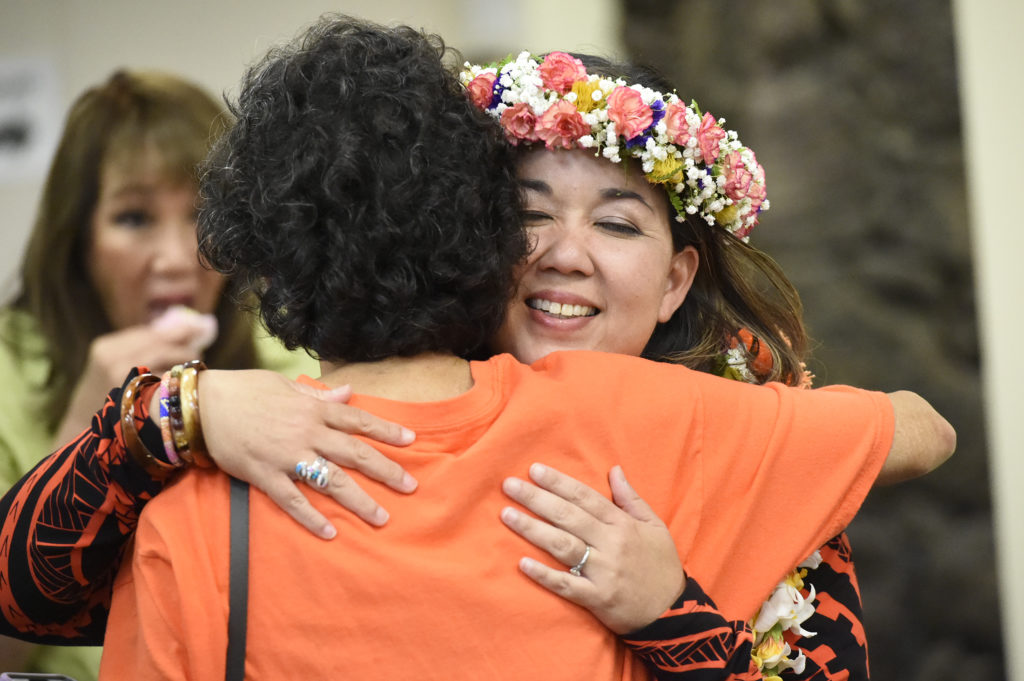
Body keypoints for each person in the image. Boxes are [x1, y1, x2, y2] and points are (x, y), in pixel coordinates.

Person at [91, 16, 953, 680]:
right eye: (531, 213)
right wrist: (183, 405)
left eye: (616, 223)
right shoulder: (266, 431)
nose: (565, 253)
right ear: (472, 235)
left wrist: (672, 612)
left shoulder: (741, 439)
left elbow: (921, 429)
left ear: (677, 281)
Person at [0, 68, 413, 680]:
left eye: (200, 215)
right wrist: (91, 434)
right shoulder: (8, 370)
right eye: (134, 218)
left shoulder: (295, 360)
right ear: (76, 238)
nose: (175, 260)